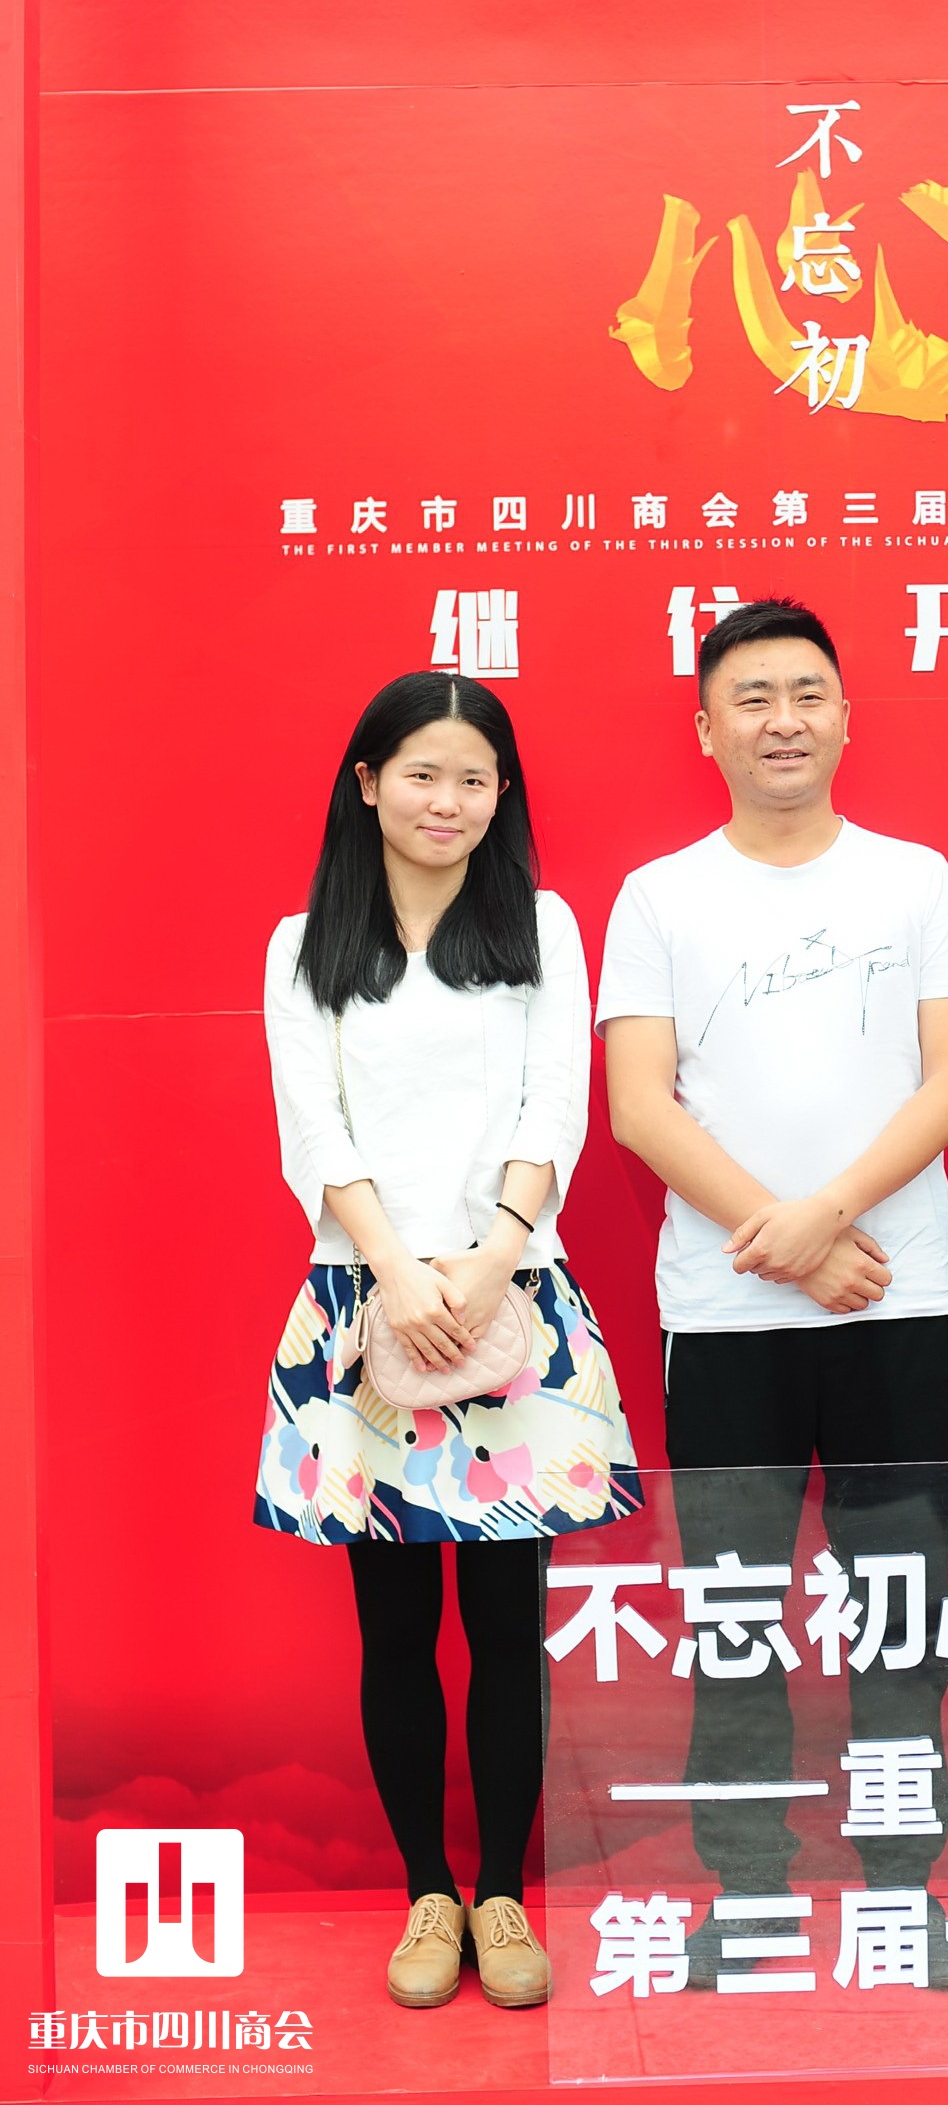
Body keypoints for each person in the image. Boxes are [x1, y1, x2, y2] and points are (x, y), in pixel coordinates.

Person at [597, 598, 948, 1989]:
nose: (782, 719)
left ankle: (902, 1893)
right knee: (734, 1617)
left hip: (897, 1306)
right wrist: (790, 1240)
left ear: (845, 716)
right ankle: (748, 1893)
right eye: (751, 697)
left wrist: (827, 1217)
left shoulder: (915, 882)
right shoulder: (659, 897)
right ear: (706, 730)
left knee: (900, 1612)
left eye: (807, 693)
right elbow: (640, 1107)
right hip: (726, 1321)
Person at [254, 673, 640, 2011]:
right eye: (423, 773)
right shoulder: (305, 945)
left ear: (501, 796)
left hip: (510, 1295)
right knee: (395, 1626)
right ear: (368, 783)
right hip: (365, 1300)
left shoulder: (541, 925)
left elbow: (556, 1103)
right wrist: (398, 1270)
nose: (449, 801)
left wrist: (488, 1257)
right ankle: (428, 1889)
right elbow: (314, 1128)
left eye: (476, 779)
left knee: (507, 1624)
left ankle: (504, 1895)